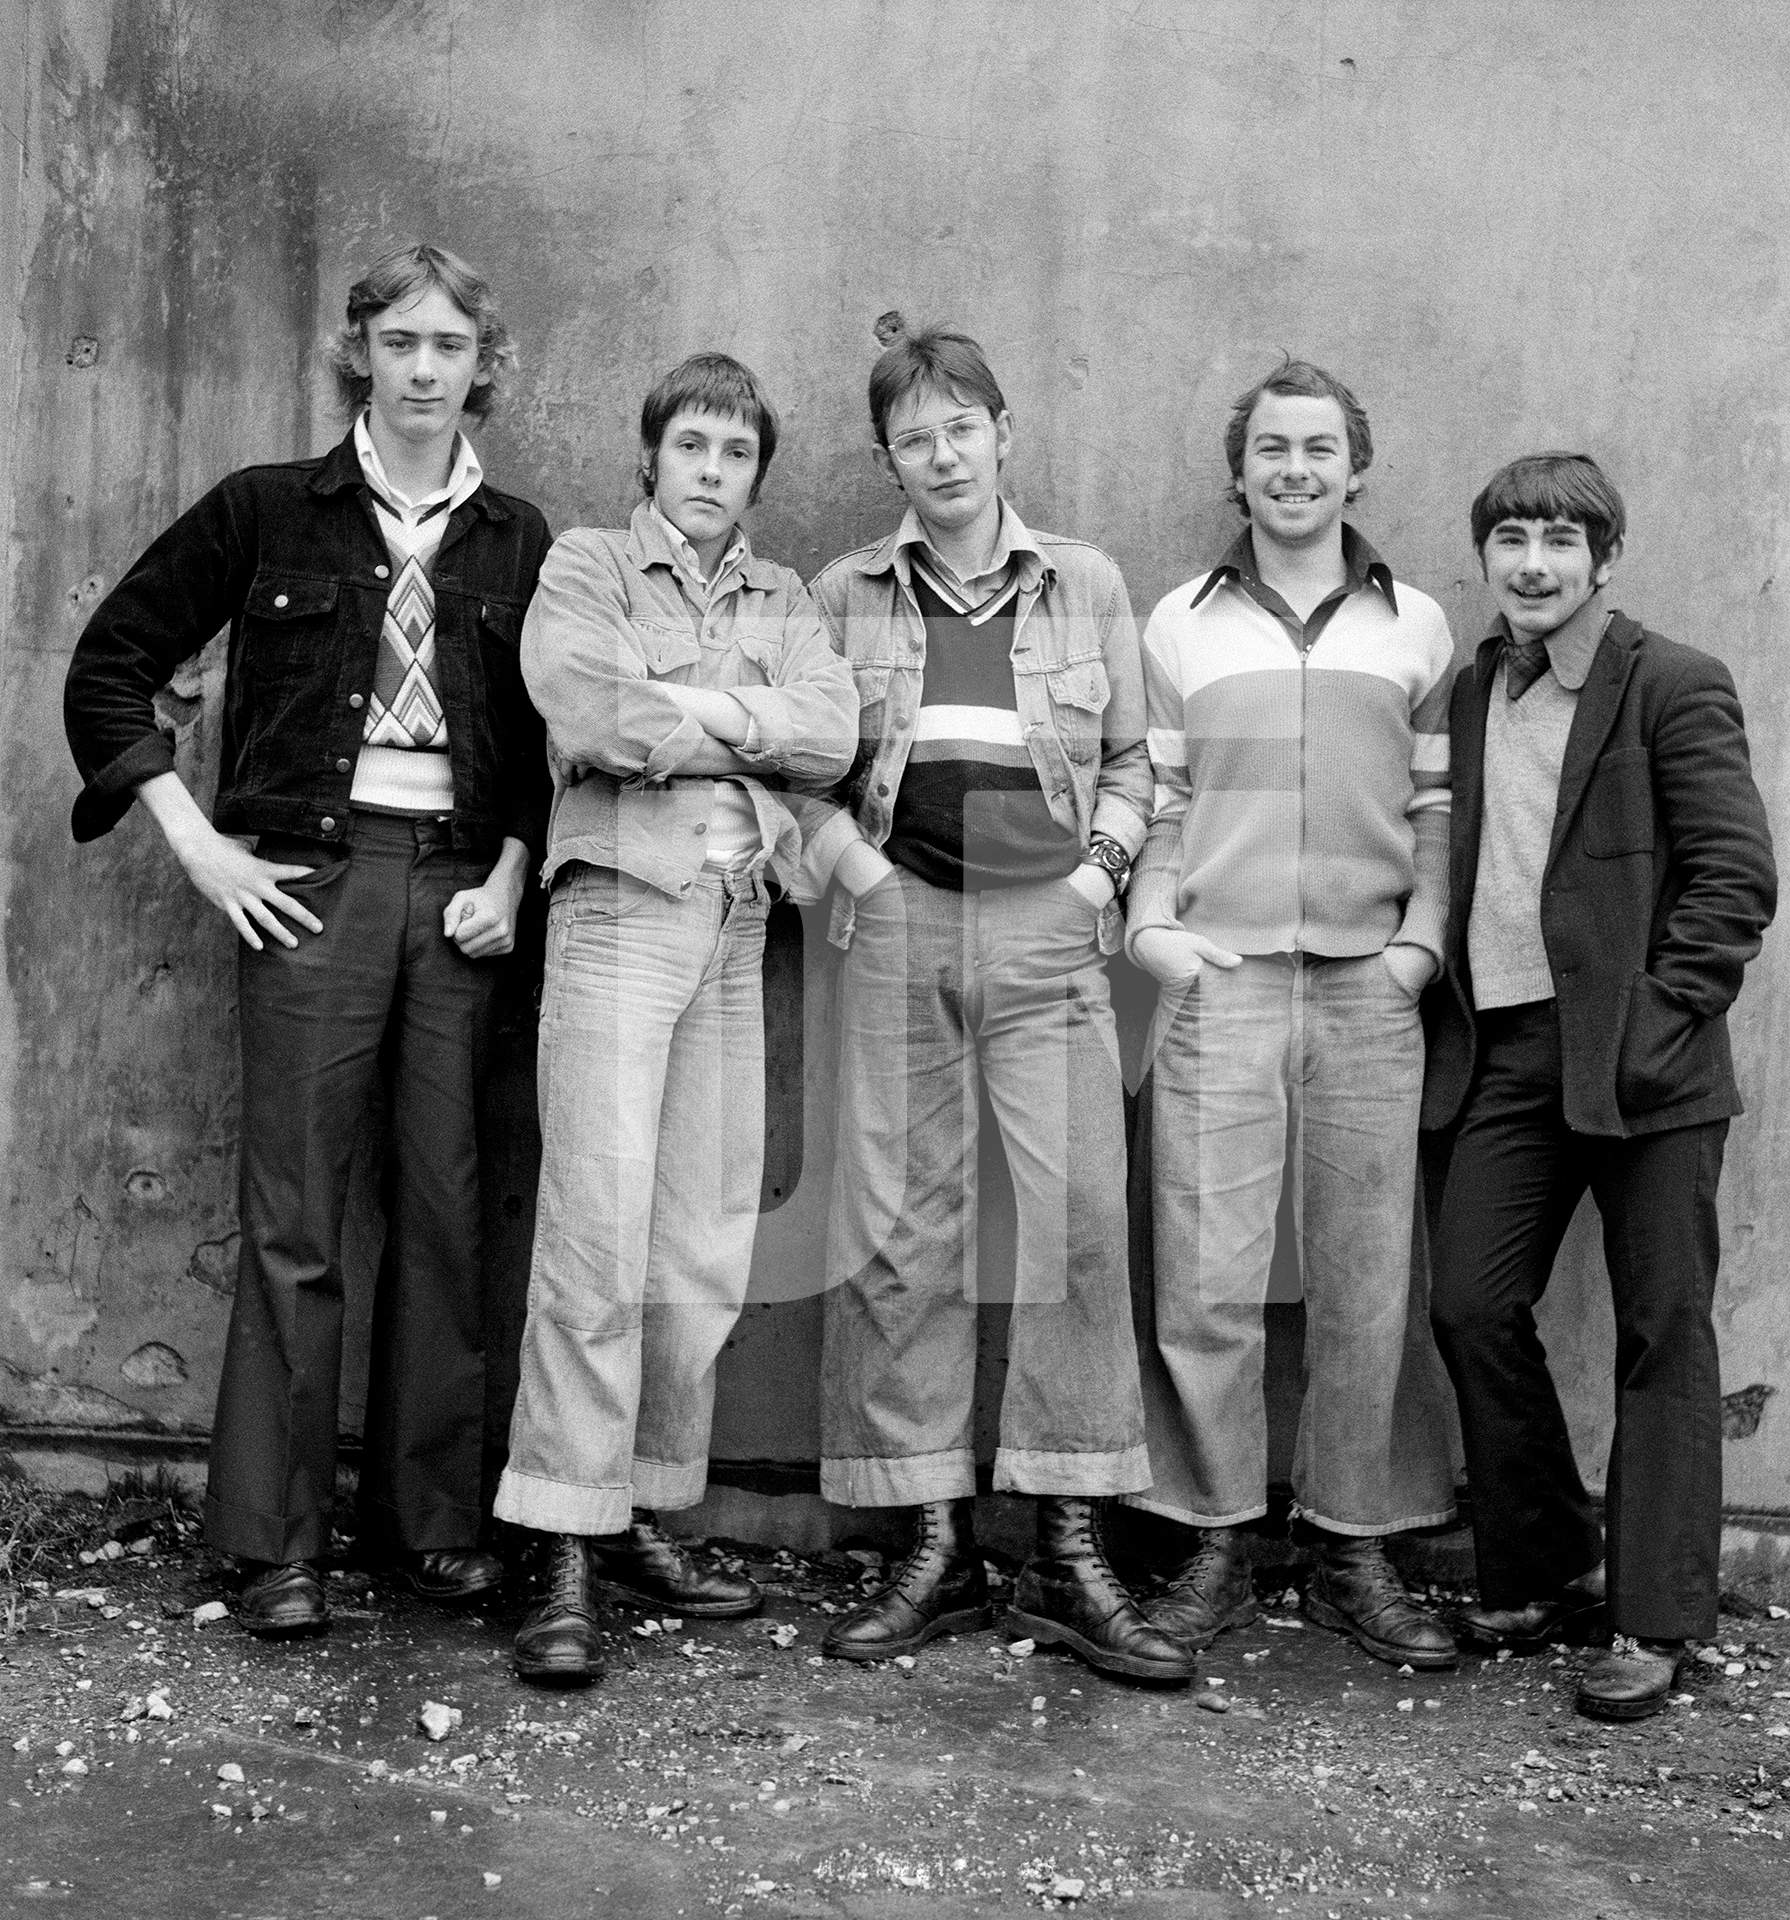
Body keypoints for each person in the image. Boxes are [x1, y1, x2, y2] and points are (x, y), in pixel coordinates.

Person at [63, 243, 552, 1637]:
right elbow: (111, 667)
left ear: (481, 366)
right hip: (309, 891)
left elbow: (543, 744)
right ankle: (277, 1544)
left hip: (458, 895)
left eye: (448, 347)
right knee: (297, 1218)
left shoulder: (522, 540)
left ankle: (433, 1529)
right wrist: (197, 842)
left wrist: (515, 872)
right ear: (361, 356)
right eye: (398, 343)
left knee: (449, 1215)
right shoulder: (269, 511)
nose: (421, 370)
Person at [797, 326, 1192, 1684]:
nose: (943, 452)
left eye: (963, 426)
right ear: (887, 459)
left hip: (1048, 938)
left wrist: (1097, 881)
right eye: (915, 435)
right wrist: (851, 862)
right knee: (905, 1232)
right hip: (896, 926)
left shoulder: (1083, 581)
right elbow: (795, 759)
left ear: (1004, 434)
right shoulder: (842, 589)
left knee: (1081, 1220)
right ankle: (930, 1545)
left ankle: (1070, 1548)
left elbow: (1144, 759)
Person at [493, 353, 859, 1687]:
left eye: (736, 452)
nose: (712, 471)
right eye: (692, 445)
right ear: (650, 456)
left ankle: (643, 1507)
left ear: (759, 473)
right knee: (594, 1235)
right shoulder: (588, 564)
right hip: (617, 913)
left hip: (736, 917)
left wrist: (691, 717)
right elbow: (581, 706)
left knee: (699, 1245)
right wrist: (743, 729)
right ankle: (561, 1545)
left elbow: (835, 731)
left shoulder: (784, 595)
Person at [1423, 452, 1776, 1721]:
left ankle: (1653, 1618)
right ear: (1487, 558)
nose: (1534, 563)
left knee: (1661, 1332)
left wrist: (1663, 1016)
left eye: (1562, 542)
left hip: (1647, 1063)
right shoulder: (1476, 689)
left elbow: (1735, 876)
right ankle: (1546, 1560)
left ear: (1605, 559)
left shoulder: (1671, 681)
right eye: (1512, 539)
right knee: (1469, 1300)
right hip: (1507, 1053)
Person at [1123, 357, 1461, 1668]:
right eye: (1273, 448)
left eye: (1319, 448)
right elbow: (1159, 799)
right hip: (1225, 974)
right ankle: (1213, 1537)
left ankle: (1351, 1548)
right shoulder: (1181, 625)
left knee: (1369, 1273)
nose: (1296, 469)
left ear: (1356, 468)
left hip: (1373, 986)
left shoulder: (1416, 627)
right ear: (1240, 469)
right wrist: (1158, 929)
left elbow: (1437, 811)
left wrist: (1421, 948)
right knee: (1205, 1270)